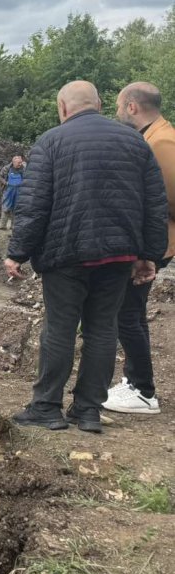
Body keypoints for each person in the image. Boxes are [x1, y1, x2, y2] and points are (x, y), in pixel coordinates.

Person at [5, 81, 167, 433]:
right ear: (99, 104)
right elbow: (154, 205)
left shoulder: (51, 140)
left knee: (60, 330)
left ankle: (46, 408)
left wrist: (17, 252)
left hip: (67, 253)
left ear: (63, 108)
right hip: (119, 254)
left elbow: (33, 205)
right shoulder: (135, 142)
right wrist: (148, 256)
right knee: (103, 330)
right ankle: (88, 411)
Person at [104, 82, 175, 415]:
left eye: (119, 106)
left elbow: (165, 200)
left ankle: (143, 391)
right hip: (149, 240)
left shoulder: (162, 142)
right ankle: (134, 381)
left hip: (154, 244)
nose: (118, 113)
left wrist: (146, 249)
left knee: (128, 314)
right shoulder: (152, 136)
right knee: (129, 313)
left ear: (132, 106)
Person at [0, 154, 26, 230]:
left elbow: (27, 178)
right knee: (5, 208)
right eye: (18, 163)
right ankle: (2, 226)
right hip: (8, 191)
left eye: (20, 162)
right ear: (13, 162)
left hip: (19, 191)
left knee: (16, 209)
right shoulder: (6, 168)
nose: (20, 164)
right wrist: (5, 183)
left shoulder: (23, 169)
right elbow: (0, 176)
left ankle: (13, 226)